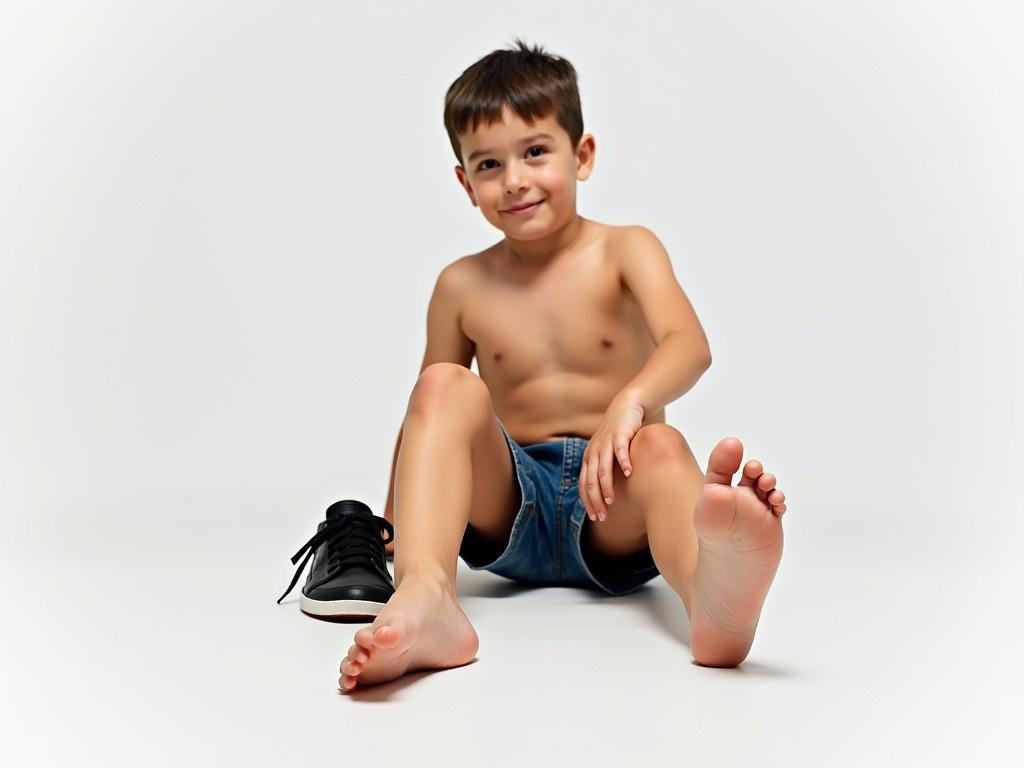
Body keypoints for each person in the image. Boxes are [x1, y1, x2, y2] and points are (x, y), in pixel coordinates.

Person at [339, 38, 788, 693]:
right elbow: (429, 421)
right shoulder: (461, 285)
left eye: (536, 152)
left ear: (582, 156)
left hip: (616, 503)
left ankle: (712, 595)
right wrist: (388, 533)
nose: (514, 180)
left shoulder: (626, 250)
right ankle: (427, 593)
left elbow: (689, 343)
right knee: (441, 382)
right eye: (488, 165)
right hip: (508, 507)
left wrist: (629, 403)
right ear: (465, 184)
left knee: (662, 445)